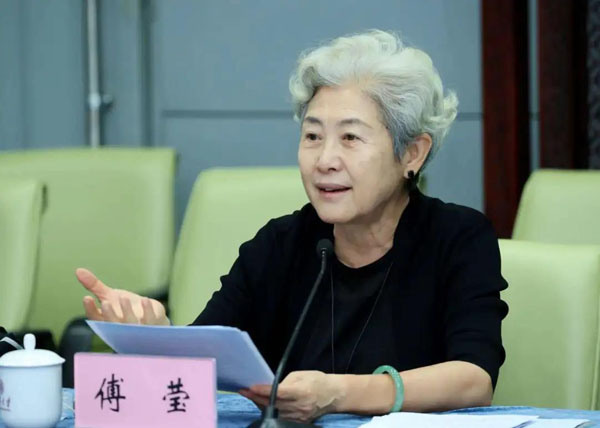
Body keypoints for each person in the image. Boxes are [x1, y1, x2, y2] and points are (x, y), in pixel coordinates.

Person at [76, 30, 508, 423]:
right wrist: (155, 338)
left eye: (350, 138)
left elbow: (473, 379)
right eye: (313, 136)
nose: (325, 160)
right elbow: (208, 359)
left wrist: (338, 393)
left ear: (412, 153)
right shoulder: (281, 244)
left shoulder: (456, 237)